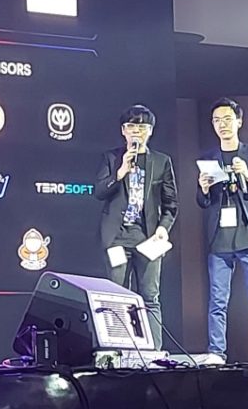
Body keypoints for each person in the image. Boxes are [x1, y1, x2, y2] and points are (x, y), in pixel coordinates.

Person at [196, 98, 248, 365]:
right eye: (217, 121)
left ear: (239, 122)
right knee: (217, 299)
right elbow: (203, 202)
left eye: (227, 119)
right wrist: (203, 188)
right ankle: (216, 352)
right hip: (220, 238)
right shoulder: (209, 158)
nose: (222, 125)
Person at [93, 104, 178, 349]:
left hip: (148, 239)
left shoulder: (161, 161)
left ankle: (154, 353)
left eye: (142, 127)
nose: (136, 131)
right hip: (117, 238)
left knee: (150, 297)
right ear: (123, 130)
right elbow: (99, 192)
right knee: (116, 296)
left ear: (150, 131)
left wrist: (163, 228)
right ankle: (118, 351)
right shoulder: (111, 158)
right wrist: (120, 171)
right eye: (131, 126)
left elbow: (171, 203)